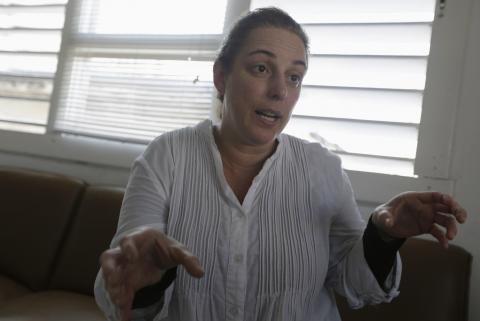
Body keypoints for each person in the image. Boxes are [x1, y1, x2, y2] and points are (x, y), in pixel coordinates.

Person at [94, 7, 467, 321]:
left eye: (294, 77)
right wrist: (147, 283)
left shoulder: (323, 170)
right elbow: (125, 287)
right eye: (261, 69)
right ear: (221, 76)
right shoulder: (166, 158)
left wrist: (384, 237)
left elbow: (355, 285)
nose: (280, 91)